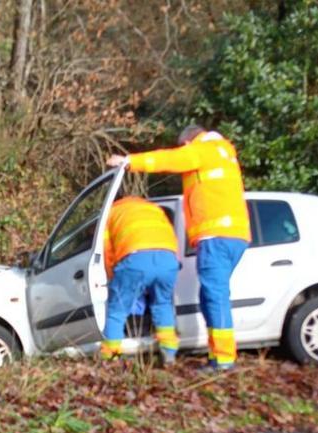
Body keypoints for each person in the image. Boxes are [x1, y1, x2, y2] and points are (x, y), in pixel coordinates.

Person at [107, 125, 250, 371]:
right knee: (208, 296)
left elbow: (169, 159)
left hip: (216, 236)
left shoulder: (205, 150)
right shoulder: (224, 153)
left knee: (215, 296)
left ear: (187, 143)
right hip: (233, 235)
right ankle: (214, 356)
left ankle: (224, 359)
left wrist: (129, 161)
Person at [101, 196, 180, 365]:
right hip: (168, 259)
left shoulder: (111, 212)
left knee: (117, 311)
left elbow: (107, 251)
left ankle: (111, 357)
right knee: (162, 304)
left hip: (135, 259)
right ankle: (169, 352)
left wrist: (112, 276)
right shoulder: (154, 208)